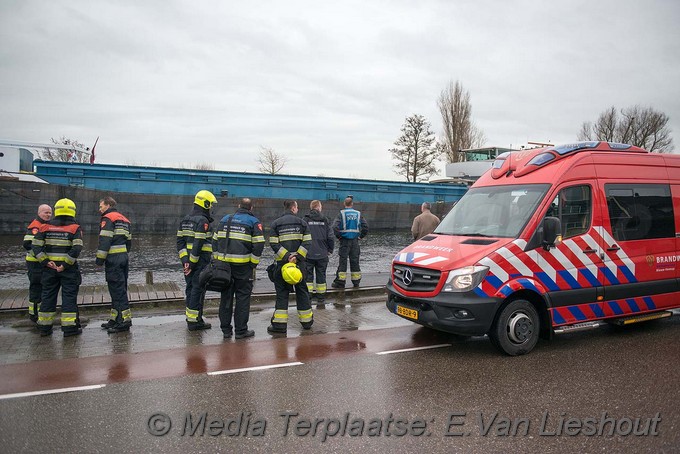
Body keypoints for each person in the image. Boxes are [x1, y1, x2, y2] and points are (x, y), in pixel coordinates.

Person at [32, 198, 84, 337]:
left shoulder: (45, 227)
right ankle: (69, 329)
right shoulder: (75, 228)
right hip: (68, 270)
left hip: (49, 270)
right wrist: (65, 264)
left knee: (48, 296)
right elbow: (77, 248)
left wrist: (45, 261)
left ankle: (44, 328)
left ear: (56, 209)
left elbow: (35, 246)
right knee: (69, 298)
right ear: (73, 211)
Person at [215, 198, 264, 339]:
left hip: (224, 267)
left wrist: (218, 259)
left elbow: (215, 240)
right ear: (251, 208)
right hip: (243, 267)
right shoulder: (253, 222)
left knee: (226, 297)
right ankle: (241, 331)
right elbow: (259, 245)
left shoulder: (225, 219)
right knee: (242, 298)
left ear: (238, 206)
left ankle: (226, 330)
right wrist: (253, 264)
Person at [267, 200, 313, 334]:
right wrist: (297, 257)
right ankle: (306, 322)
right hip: (299, 264)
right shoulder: (302, 223)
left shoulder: (276, 224)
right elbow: (308, 242)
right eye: (297, 207)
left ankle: (280, 325)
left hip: (282, 265)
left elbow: (274, 244)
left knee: (282, 294)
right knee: (302, 291)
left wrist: (287, 256)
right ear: (293, 208)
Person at [177, 190, 217, 331]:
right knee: (198, 290)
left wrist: (185, 261)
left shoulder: (185, 219)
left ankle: (192, 318)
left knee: (190, 289)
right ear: (204, 203)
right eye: (210, 204)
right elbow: (198, 243)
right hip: (199, 262)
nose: (211, 207)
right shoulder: (203, 221)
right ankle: (195, 321)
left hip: (188, 262)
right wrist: (193, 263)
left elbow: (180, 242)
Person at [96, 196, 133, 334]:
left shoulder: (108, 219)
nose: (100, 209)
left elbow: (104, 241)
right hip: (123, 257)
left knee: (117, 290)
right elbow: (129, 242)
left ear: (108, 205)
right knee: (119, 288)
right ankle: (115, 318)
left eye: (101, 206)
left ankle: (124, 321)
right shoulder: (124, 219)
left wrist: (99, 260)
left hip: (113, 259)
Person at [23, 204, 52, 323]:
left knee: (42, 287)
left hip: (41, 262)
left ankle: (39, 312)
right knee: (36, 288)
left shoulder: (45, 225)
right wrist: (41, 257)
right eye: (46, 212)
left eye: (50, 213)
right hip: (35, 263)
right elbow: (27, 244)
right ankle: (34, 314)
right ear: (39, 213)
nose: (48, 215)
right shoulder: (36, 226)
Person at [331, 196, 368, 288]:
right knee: (355, 261)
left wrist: (339, 236)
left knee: (343, 262)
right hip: (355, 241)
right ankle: (356, 282)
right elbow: (365, 227)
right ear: (352, 204)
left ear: (344, 204)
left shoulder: (341, 214)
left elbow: (334, 227)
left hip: (344, 241)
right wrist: (360, 236)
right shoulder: (358, 214)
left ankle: (340, 282)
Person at [303, 200, 334, 306]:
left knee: (308, 277)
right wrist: (330, 249)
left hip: (308, 253)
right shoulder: (325, 220)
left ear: (311, 208)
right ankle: (321, 298)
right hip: (322, 253)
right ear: (319, 207)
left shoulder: (305, 220)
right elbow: (330, 237)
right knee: (321, 275)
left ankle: (308, 296)